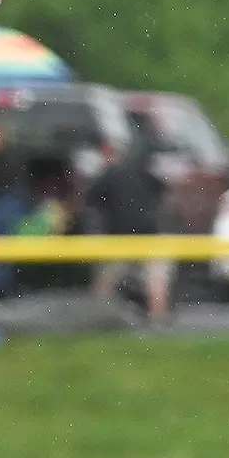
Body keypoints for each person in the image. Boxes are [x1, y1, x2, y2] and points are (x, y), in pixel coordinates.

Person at [85, 135, 173, 324]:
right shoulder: (142, 171)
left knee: (105, 283)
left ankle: (97, 318)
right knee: (156, 282)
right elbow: (163, 190)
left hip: (121, 239)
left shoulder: (107, 176)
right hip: (149, 235)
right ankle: (159, 322)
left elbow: (90, 202)